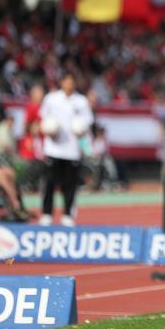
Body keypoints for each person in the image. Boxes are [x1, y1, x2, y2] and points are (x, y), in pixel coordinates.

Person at [39, 72, 94, 226]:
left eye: (72, 81)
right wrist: (50, 130)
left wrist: (81, 130)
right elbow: (43, 118)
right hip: (53, 149)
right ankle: (46, 213)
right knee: (49, 183)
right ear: (62, 82)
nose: (69, 84)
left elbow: (87, 122)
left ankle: (67, 214)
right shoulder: (51, 99)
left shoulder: (81, 101)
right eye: (66, 81)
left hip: (72, 150)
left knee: (69, 184)